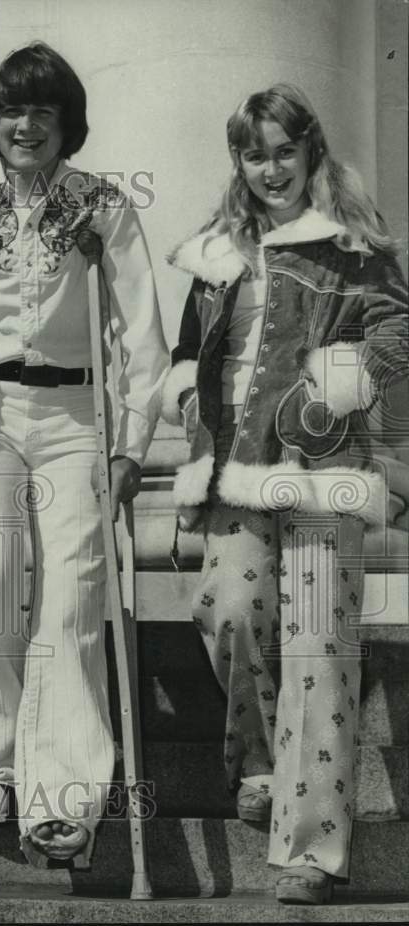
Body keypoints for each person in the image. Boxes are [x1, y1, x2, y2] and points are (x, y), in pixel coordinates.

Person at [0, 42, 167, 865]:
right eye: (13, 110)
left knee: (75, 589)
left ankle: (65, 800)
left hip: (78, 413)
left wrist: (131, 444)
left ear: (66, 123)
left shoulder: (104, 207)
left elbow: (142, 339)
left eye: (44, 111)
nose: (27, 125)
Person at [161, 83, 408, 904]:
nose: (271, 169)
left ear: (310, 152)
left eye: (283, 151)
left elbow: (396, 339)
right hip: (234, 465)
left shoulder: (355, 249)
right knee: (229, 608)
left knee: (317, 654)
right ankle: (260, 759)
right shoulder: (216, 253)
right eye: (254, 153)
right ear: (239, 159)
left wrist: (335, 387)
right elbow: (189, 351)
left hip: (323, 473)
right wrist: (186, 406)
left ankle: (310, 850)